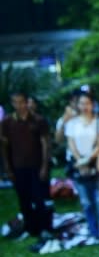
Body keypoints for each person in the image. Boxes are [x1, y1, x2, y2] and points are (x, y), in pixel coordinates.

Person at [1, 91, 53, 240]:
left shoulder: (38, 121)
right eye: (16, 102)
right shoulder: (7, 123)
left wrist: (44, 165)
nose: (19, 105)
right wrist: (8, 168)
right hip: (18, 166)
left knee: (39, 198)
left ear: (27, 102)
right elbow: (4, 147)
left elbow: (45, 144)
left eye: (22, 102)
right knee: (24, 199)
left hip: (36, 165)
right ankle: (30, 227)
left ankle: (44, 227)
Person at [67, 90, 99, 243]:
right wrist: (80, 161)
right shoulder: (72, 124)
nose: (85, 106)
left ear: (93, 104)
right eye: (81, 103)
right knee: (86, 202)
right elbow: (71, 144)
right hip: (80, 168)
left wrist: (87, 160)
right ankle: (93, 232)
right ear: (77, 105)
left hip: (98, 167)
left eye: (87, 103)